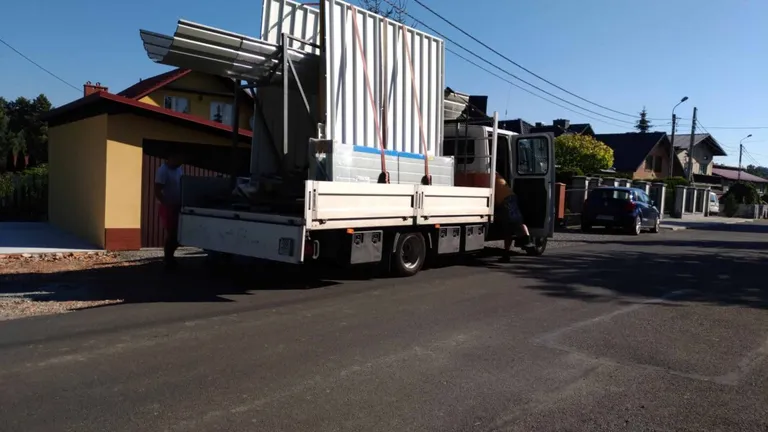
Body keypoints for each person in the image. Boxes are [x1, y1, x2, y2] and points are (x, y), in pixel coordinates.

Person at [490, 172, 532, 263]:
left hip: (506, 200)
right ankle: (507, 253)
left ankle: (526, 241)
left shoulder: (490, 174)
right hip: (509, 198)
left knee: (512, 223)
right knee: (510, 226)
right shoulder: (496, 175)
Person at [155, 151, 184, 269]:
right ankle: (167, 258)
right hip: (168, 206)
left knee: (178, 233)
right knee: (171, 233)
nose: (180, 162)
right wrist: (166, 203)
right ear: (170, 158)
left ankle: (171, 257)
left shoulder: (179, 169)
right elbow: (157, 190)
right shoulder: (163, 171)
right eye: (178, 159)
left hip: (178, 204)